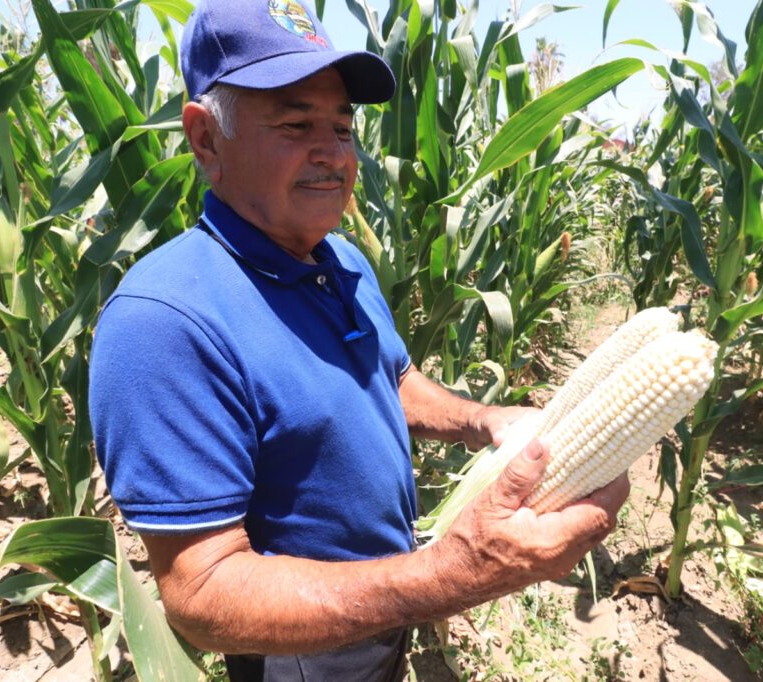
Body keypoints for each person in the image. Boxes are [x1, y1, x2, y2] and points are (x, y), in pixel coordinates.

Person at [88, 0, 630, 679]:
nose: (333, 153)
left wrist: (481, 421)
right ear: (205, 139)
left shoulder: (340, 259)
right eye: (296, 124)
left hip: (388, 606)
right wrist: (447, 575)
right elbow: (201, 593)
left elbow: (390, 377)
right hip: (302, 652)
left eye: (343, 128)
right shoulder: (165, 319)